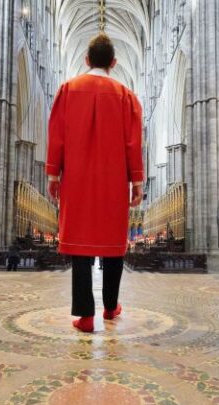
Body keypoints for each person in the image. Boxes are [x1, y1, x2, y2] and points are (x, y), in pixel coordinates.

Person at [47, 33, 144, 333]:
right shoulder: (127, 97)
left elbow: (57, 135)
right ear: (114, 63)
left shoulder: (67, 90)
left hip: (76, 181)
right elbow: (133, 144)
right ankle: (110, 307)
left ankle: (85, 315)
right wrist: (137, 181)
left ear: (86, 60)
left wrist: (53, 174)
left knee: (80, 245)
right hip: (114, 182)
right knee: (114, 245)